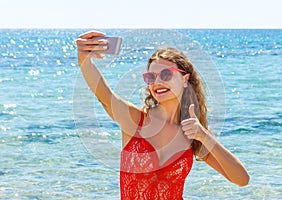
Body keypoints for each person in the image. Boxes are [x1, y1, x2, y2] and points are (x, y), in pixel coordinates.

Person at [76, 31, 250, 199]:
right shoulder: (137, 120)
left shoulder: (192, 133)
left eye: (166, 74)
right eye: (151, 77)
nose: (157, 82)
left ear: (184, 79)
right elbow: (105, 97)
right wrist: (84, 61)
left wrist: (204, 136)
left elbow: (241, 179)